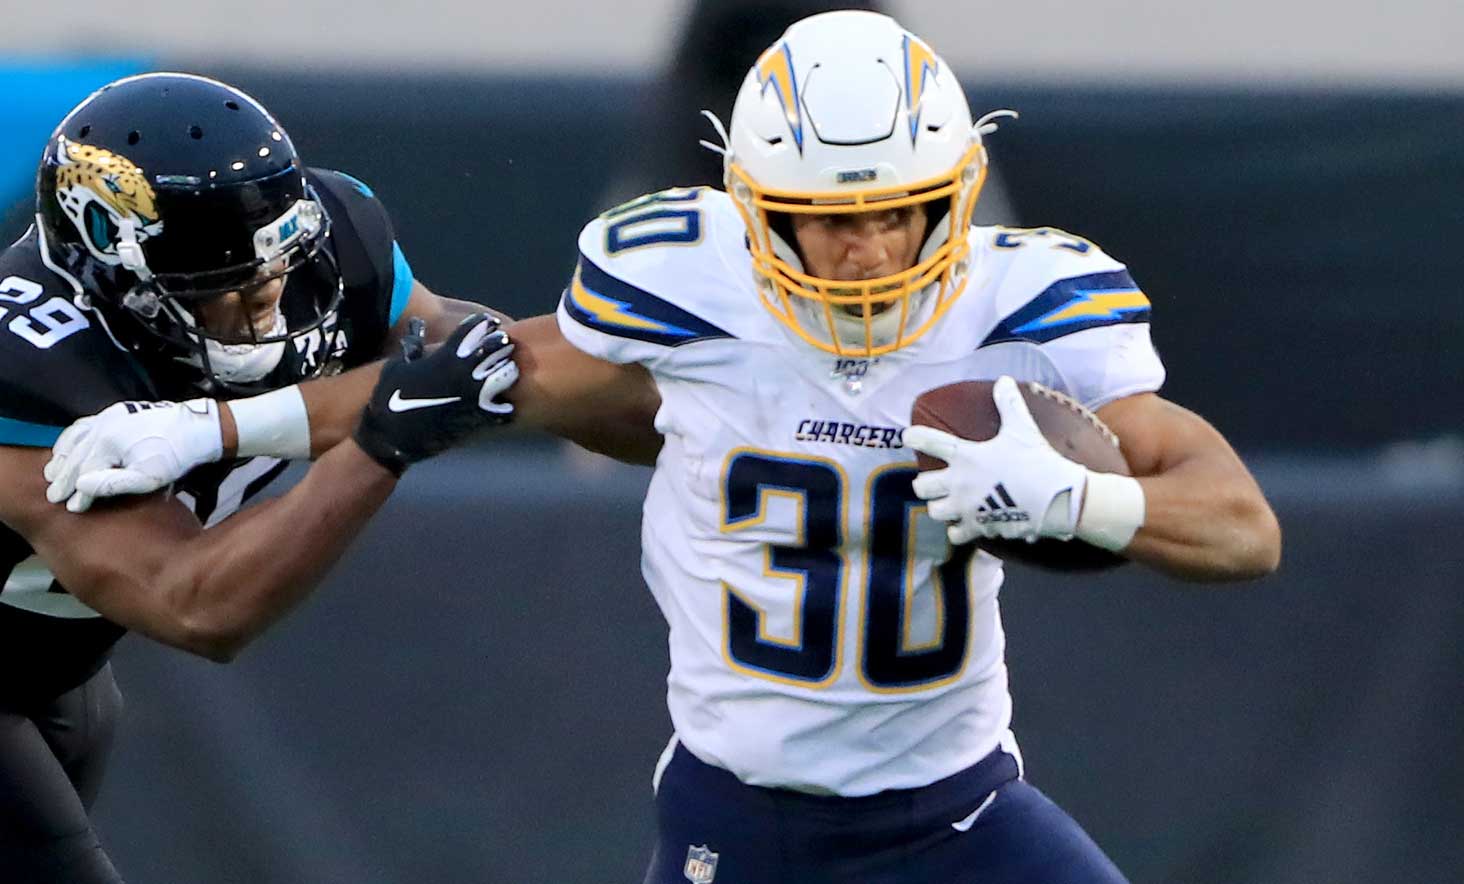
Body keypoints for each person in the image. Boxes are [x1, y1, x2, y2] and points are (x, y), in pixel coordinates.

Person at [47, 13, 1281, 882]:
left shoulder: (1025, 309)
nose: (863, 253)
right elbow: (480, 374)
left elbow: (1242, 526)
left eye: (898, 215)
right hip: (745, 825)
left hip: (963, 811)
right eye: (823, 222)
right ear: (749, 205)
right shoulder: (691, 284)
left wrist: (1079, 500)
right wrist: (214, 424)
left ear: (957, 195)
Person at [0, 72, 519, 883]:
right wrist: (379, 443)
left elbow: (487, 357)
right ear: (117, 274)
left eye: (276, 277)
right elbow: (198, 603)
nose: (267, 314)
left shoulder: (331, 246)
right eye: (223, 291)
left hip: (59, 664)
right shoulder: (30, 367)